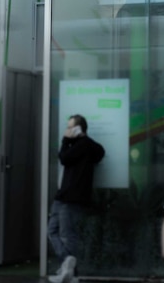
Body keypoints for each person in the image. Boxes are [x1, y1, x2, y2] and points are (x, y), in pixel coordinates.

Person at [48, 114, 106, 283]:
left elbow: (64, 158)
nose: (66, 130)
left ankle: (71, 272)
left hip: (71, 197)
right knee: (51, 231)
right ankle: (68, 265)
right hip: (62, 196)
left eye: (69, 127)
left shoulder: (84, 145)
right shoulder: (80, 145)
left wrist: (66, 140)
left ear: (79, 129)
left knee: (67, 234)